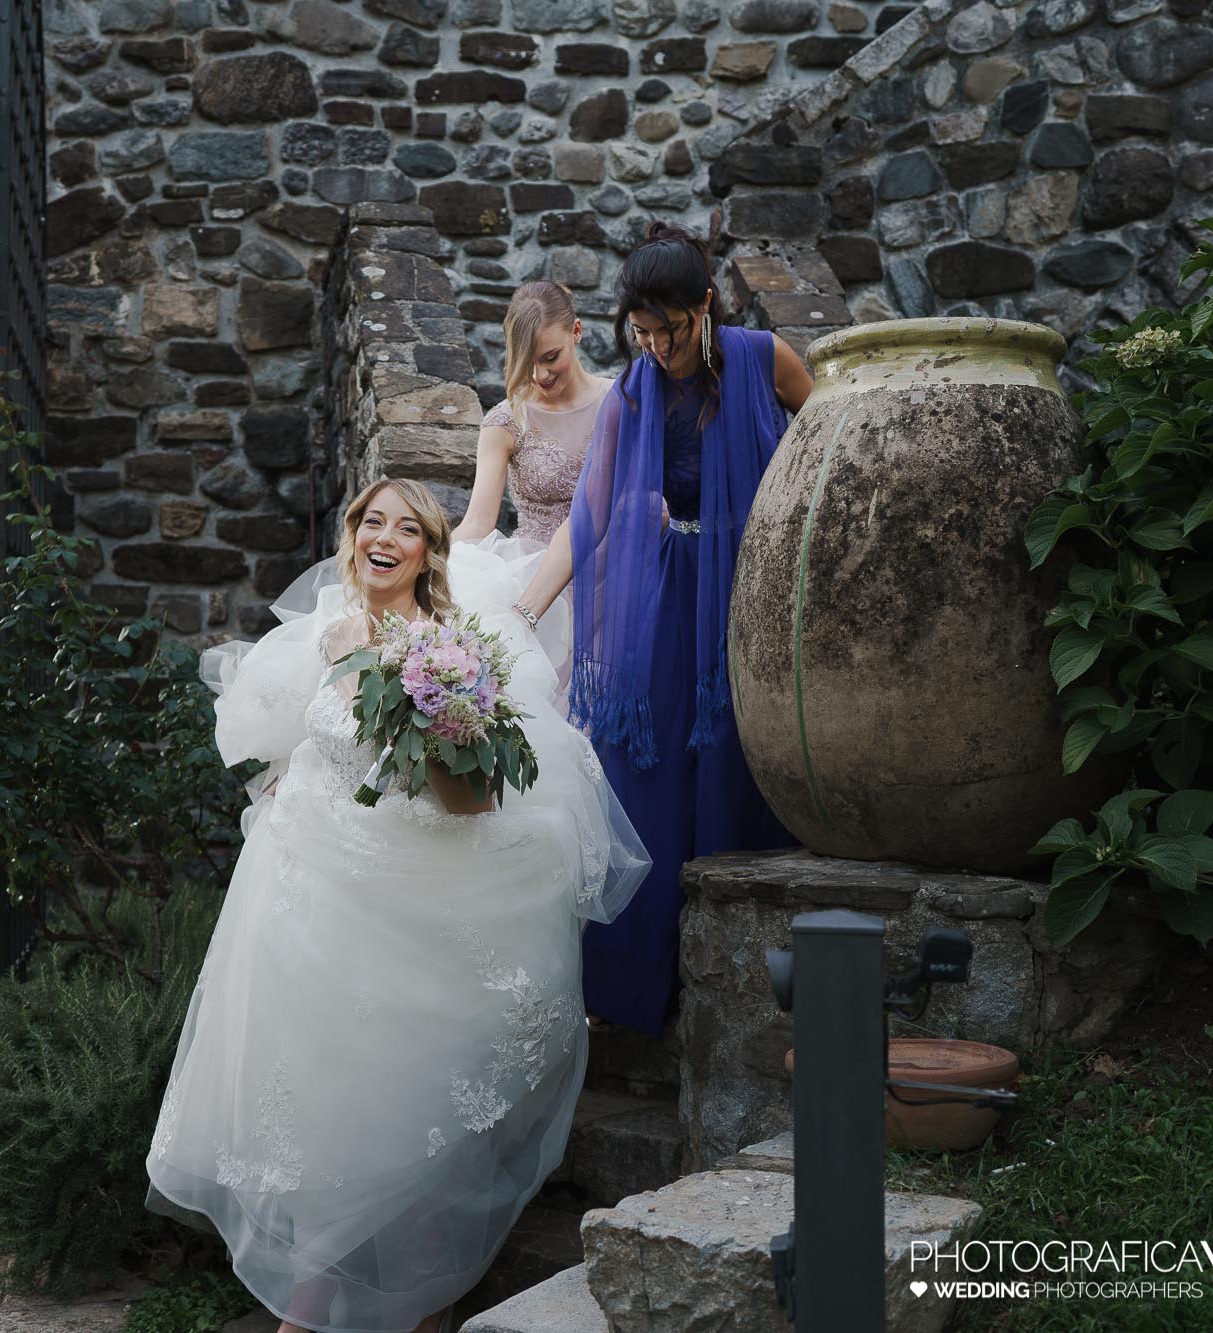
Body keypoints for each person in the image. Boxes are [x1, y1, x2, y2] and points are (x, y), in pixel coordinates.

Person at [146, 477, 650, 1333]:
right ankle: (345, 1299)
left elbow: (472, 802)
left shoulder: (451, 650)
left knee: (409, 1113)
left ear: (429, 551)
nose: (384, 537)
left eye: (406, 528)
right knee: (322, 1111)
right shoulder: (333, 629)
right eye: (371, 521)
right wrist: (284, 789)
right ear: (354, 536)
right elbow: (313, 743)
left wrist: (435, 714)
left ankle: (389, 1306)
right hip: (307, 897)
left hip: (412, 901)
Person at [510, 224, 815, 1035]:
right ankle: (634, 991)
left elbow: (825, 451)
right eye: (640, 333)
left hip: (751, 592)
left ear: (705, 306)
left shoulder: (762, 357)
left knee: (736, 759)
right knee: (643, 772)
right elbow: (591, 515)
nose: (656, 346)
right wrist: (525, 610)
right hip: (668, 596)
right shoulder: (636, 392)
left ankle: (748, 994)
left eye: (669, 330)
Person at [454, 281, 615, 550]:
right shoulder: (505, 421)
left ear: (576, 331)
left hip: (612, 568)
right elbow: (477, 523)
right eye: (526, 362)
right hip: (532, 569)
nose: (539, 375)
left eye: (551, 357)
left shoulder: (620, 401)